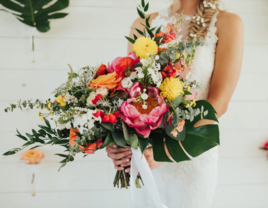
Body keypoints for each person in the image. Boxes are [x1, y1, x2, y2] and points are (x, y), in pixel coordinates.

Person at [106, 0, 243, 207]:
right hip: (145, 158)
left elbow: (219, 103)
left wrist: (166, 151)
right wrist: (119, 144)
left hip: (190, 156)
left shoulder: (227, 23)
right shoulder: (143, 24)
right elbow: (131, 94)